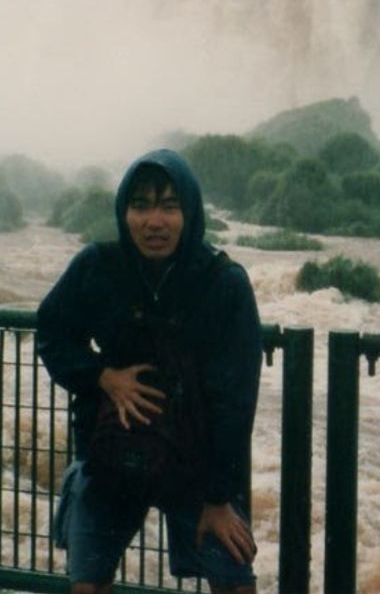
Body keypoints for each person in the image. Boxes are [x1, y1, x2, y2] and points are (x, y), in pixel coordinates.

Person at [36, 149, 262, 594]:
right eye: (140, 205)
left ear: (191, 212)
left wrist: (218, 499)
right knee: (86, 585)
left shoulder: (223, 283)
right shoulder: (98, 267)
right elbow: (52, 330)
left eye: (169, 206)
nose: (153, 221)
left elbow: (236, 401)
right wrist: (102, 375)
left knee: (236, 585)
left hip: (198, 467)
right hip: (112, 454)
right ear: (123, 211)